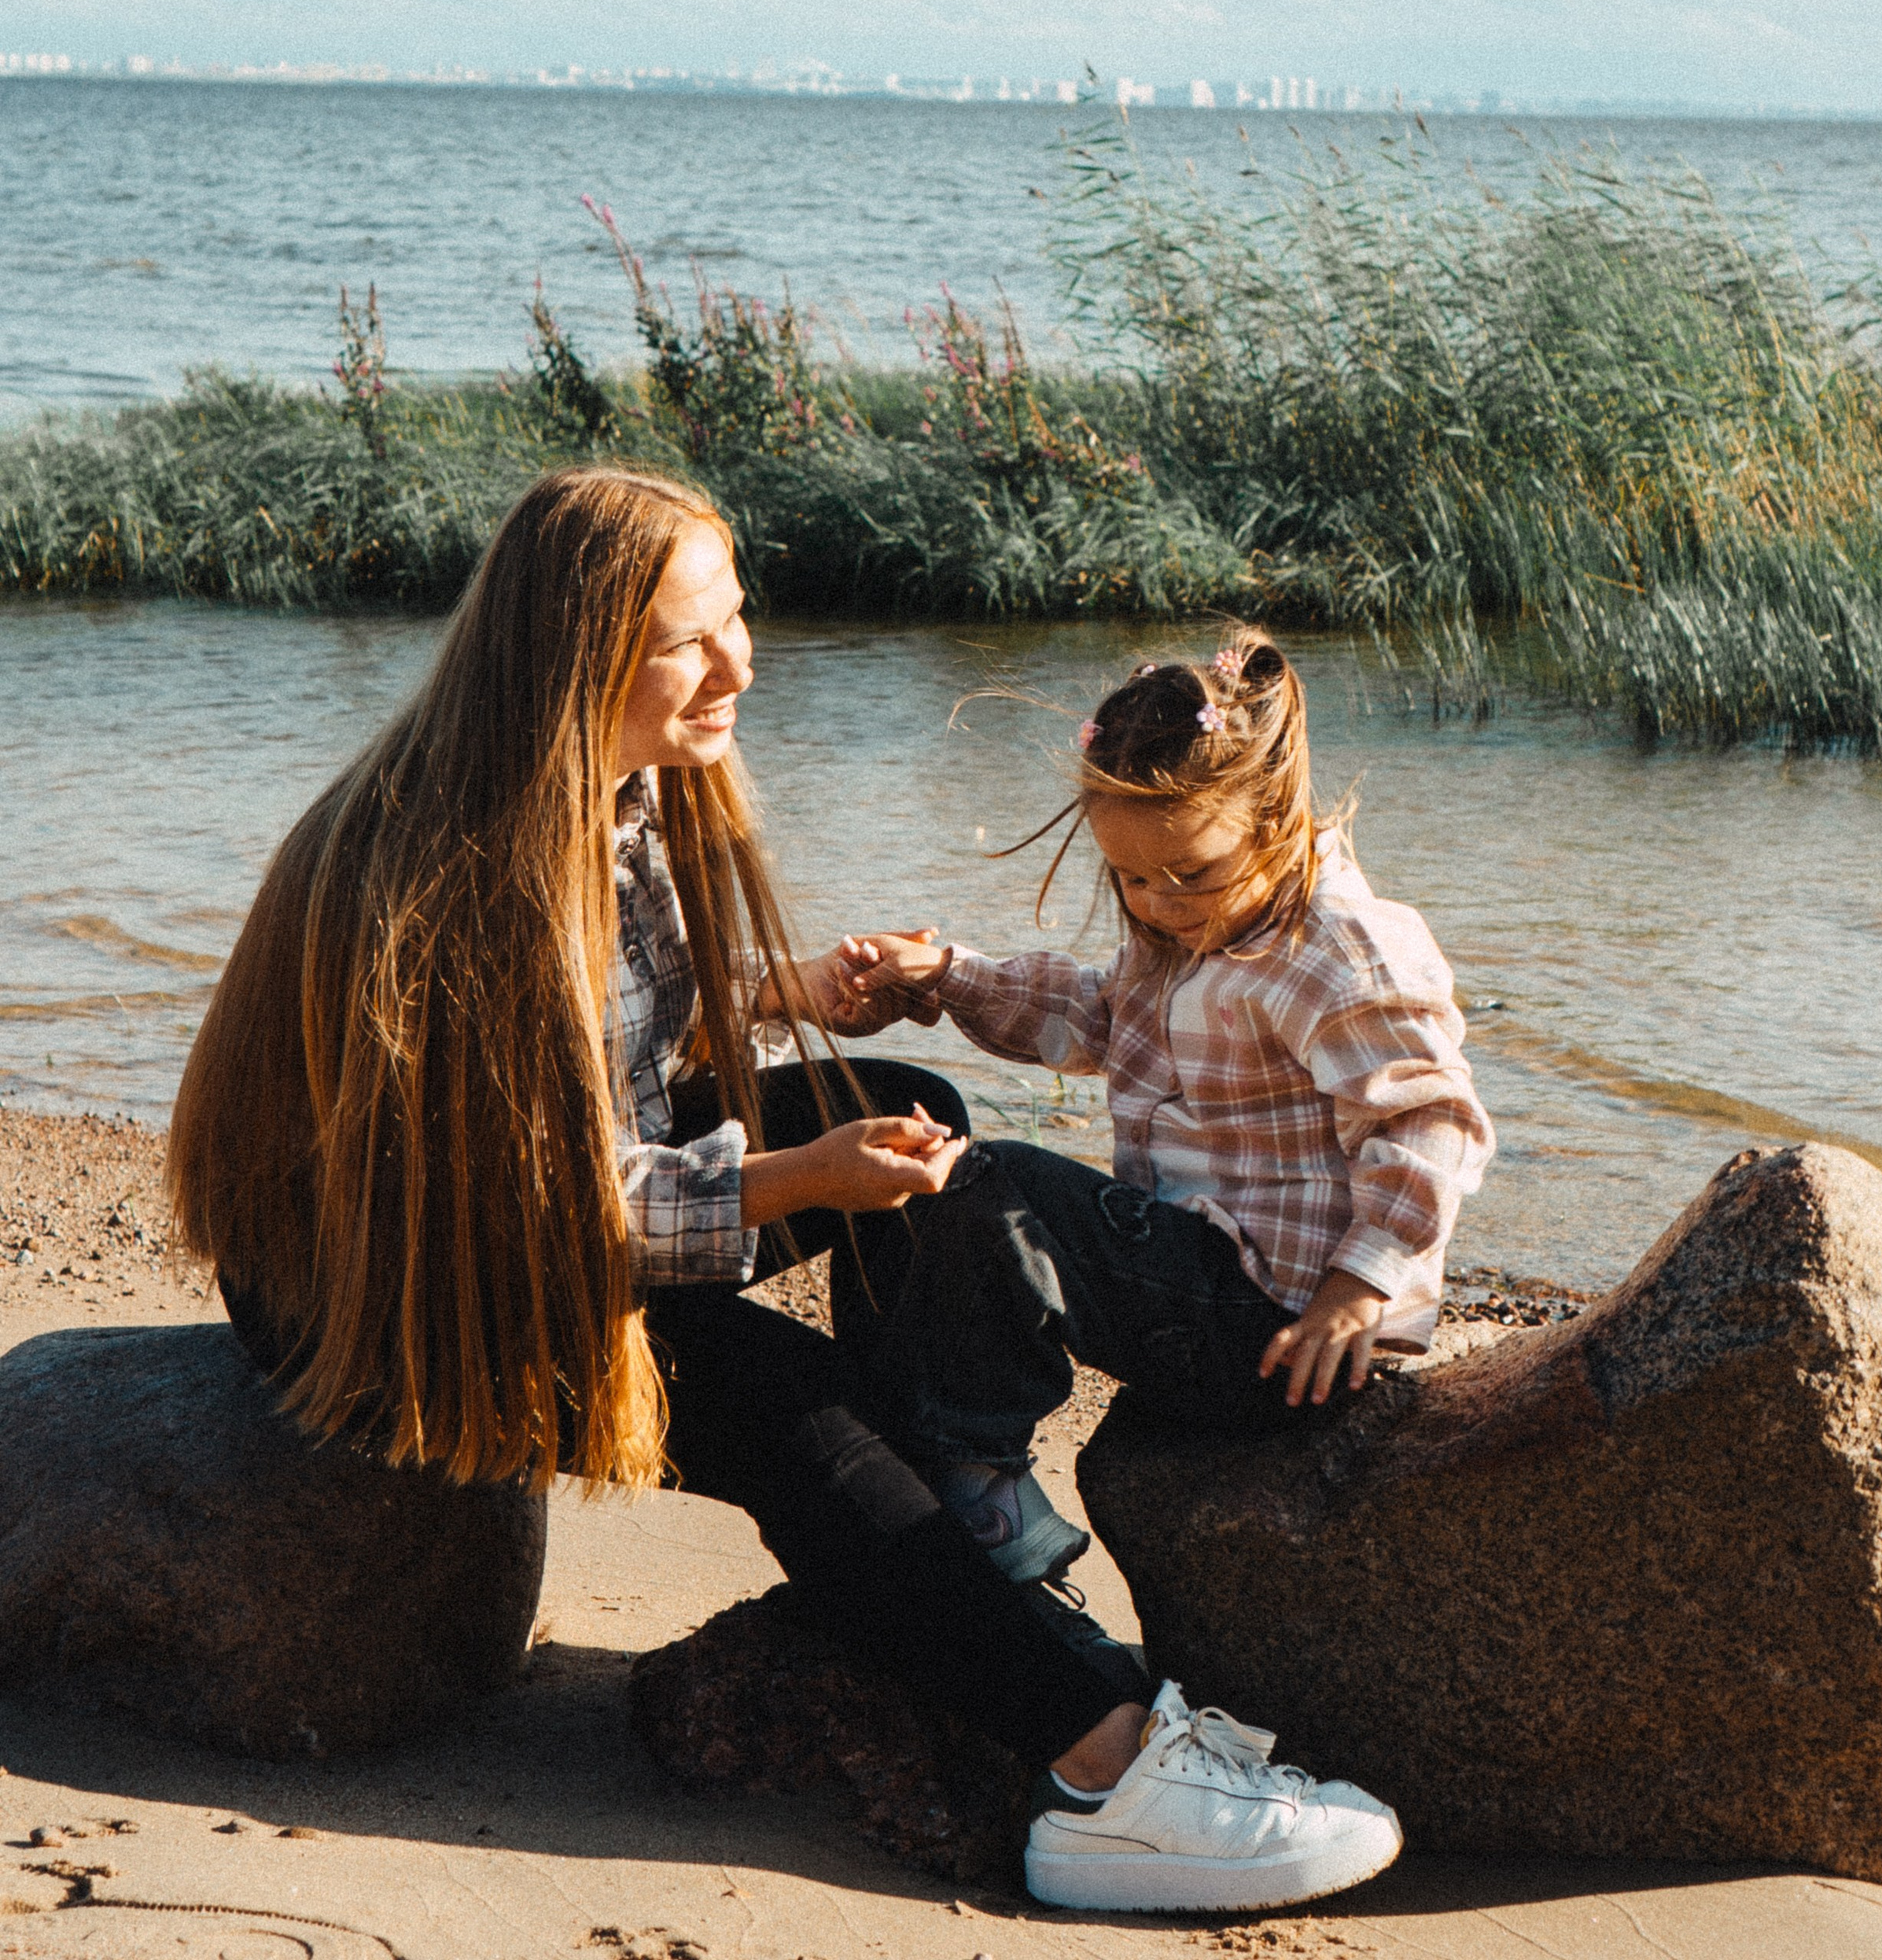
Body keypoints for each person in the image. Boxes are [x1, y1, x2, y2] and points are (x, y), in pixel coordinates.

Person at [168, 472, 1398, 1917]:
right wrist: (793, 1181)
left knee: (914, 1121)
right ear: (581, 655)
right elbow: (540, 1206)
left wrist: (773, 1001)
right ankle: (1100, 1765)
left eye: (737, 617)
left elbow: (598, 1040)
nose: (741, 661)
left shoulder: (616, 794)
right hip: (392, 1290)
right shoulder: (460, 866)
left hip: (515, 1203)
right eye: (697, 639)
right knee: (782, 1404)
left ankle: (939, 1553)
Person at [835, 628, 1497, 1607]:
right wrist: (950, 978)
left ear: (1273, 818)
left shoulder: (1341, 945)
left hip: (1284, 1330)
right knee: (915, 1164)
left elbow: (1431, 1121)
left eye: (1189, 872)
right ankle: (902, 1454)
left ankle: (983, 1492)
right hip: (1202, 1289)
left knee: (997, 1184)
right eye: (1132, 879)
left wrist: (1359, 1288)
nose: (1158, 902)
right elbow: (1094, 1018)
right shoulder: (1183, 932)